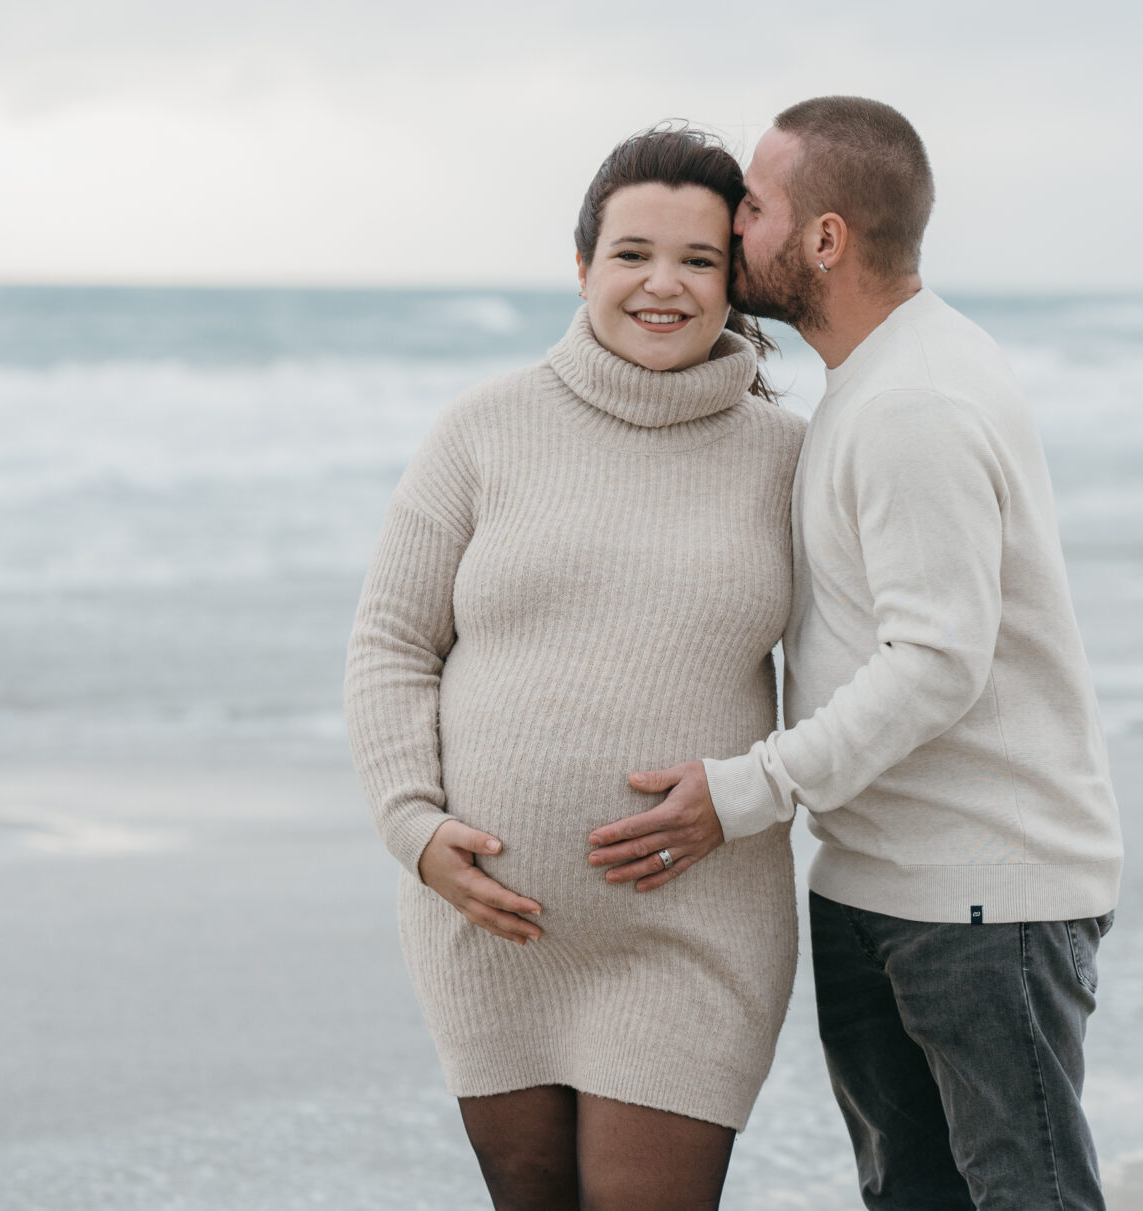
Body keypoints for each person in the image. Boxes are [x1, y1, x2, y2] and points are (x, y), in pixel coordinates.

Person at [586, 97, 1124, 1211]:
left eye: (753, 207)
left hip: (980, 899)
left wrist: (745, 790)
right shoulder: (877, 377)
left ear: (824, 238)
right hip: (887, 883)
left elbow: (936, 661)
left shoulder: (912, 402)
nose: (731, 225)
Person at [344, 125, 805, 1211]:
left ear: (735, 280)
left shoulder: (790, 461)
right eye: (632, 253)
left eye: (698, 259)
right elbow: (391, 642)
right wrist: (413, 830)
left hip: (693, 927)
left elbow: (856, 681)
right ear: (584, 264)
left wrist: (753, 792)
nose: (663, 283)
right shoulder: (483, 429)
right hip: (489, 924)